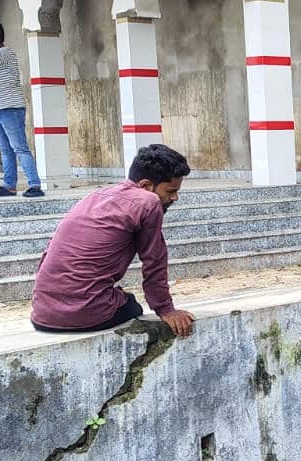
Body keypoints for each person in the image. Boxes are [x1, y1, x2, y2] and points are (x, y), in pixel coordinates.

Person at [30, 143, 196, 337]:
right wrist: (166, 309)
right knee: (131, 305)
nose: (175, 198)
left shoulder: (96, 195)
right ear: (145, 186)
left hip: (42, 314)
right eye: (170, 191)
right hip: (85, 314)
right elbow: (154, 261)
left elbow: (48, 254)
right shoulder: (148, 202)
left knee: (118, 296)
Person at [0, 19, 44, 198]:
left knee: (19, 147)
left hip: (10, 109)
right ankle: (9, 185)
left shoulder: (5, 53)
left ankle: (35, 184)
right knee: (4, 149)